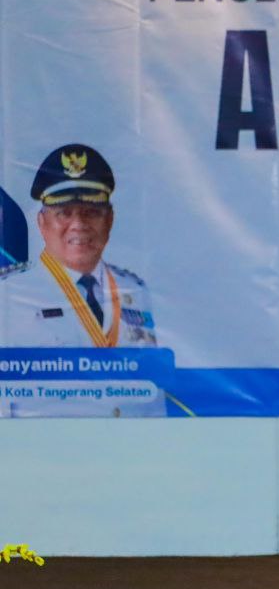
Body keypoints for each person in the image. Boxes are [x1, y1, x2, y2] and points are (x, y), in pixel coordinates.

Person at [0, 144, 164, 416]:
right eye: (64, 213)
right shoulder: (9, 294)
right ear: (42, 223)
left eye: (91, 211)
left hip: (132, 441)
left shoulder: (134, 291)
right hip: (48, 442)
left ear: (109, 220)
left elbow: (153, 392)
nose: (78, 224)